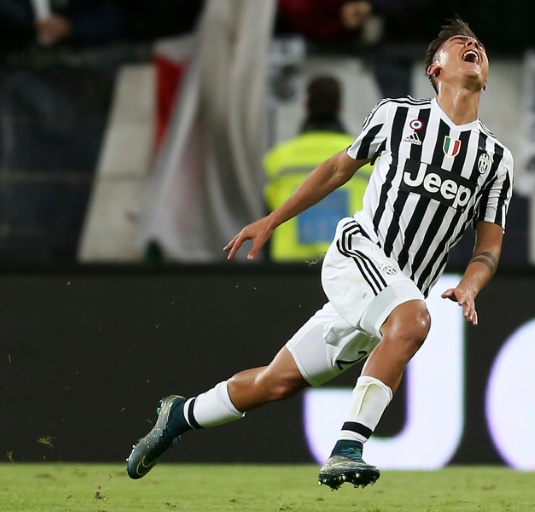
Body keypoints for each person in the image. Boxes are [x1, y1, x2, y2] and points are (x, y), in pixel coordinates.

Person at [126, 17, 514, 490]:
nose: (473, 45)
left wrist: (471, 286)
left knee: (276, 382)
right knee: (414, 322)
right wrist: (272, 220)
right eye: (459, 44)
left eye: (478, 44)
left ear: (486, 75)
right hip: (359, 254)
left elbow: (488, 243)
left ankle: (179, 415)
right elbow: (336, 170)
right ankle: (348, 448)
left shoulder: (496, 159)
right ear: (435, 69)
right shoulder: (397, 116)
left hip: (391, 295)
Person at [263, 75, 371, 262]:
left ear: (306, 106)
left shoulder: (279, 158)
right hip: (349, 265)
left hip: (287, 270)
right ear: (340, 108)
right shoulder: (363, 156)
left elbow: (268, 214)